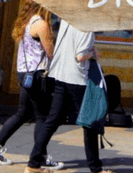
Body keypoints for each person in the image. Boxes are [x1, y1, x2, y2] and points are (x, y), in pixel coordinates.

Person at [0, 0, 63, 169]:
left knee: (23, 113)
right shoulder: (41, 24)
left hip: (24, 74)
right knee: (43, 117)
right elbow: (51, 53)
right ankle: (40, 157)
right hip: (37, 76)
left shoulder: (27, 21)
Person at [25, 19, 112, 173]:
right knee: (89, 123)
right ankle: (96, 169)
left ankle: (33, 164)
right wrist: (93, 53)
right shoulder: (86, 25)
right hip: (77, 79)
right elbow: (80, 56)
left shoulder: (66, 20)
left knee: (52, 121)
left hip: (60, 75)